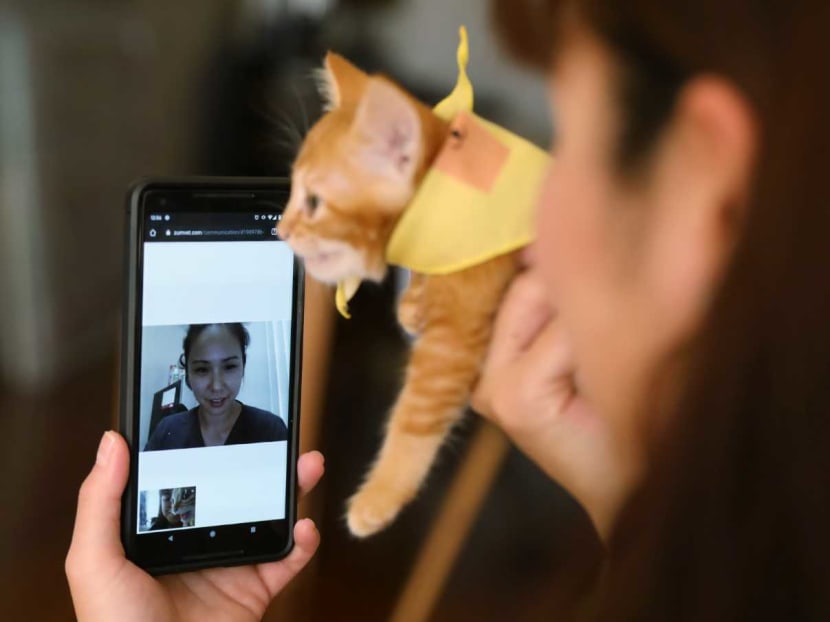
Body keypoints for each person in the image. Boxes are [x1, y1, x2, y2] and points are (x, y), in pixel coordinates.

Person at [68, 0, 830, 618]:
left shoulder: (265, 426)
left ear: (706, 189)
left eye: (566, 145)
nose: (541, 217)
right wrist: (628, 497)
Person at [144, 323, 288, 450]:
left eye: (229, 367)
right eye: (202, 369)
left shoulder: (271, 430)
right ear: (188, 374)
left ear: (243, 367)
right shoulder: (166, 432)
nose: (217, 386)